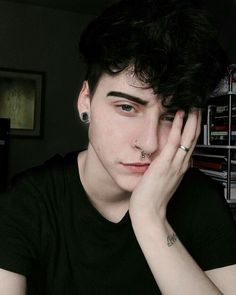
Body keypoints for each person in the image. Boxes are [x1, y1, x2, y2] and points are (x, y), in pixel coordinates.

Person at [0, 0, 236, 294]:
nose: (149, 143)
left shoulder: (201, 200)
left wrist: (150, 218)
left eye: (168, 116)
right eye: (126, 107)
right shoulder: (28, 202)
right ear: (86, 101)